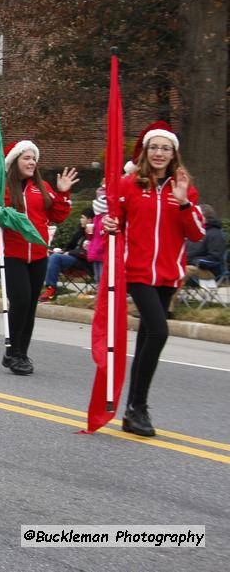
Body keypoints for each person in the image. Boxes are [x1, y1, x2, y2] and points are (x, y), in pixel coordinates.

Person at [102, 122, 205, 436]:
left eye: (166, 148)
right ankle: (138, 407)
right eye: (154, 147)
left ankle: (133, 411)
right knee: (159, 332)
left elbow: (197, 233)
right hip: (137, 271)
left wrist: (184, 201)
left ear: (174, 153)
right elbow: (113, 223)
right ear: (145, 151)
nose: (160, 153)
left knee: (148, 337)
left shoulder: (183, 185)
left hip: (169, 274)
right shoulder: (129, 184)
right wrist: (107, 224)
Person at [0, 140, 78, 375]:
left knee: (30, 305)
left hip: (39, 254)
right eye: (27, 158)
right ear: (14, 162)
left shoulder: (40, 187)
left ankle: (21, 353)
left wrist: (62, 193)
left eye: (34, 158)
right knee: (20, 301)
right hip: (11, 255)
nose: (32, 162)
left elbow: (57, 216)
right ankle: (12, 351)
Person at [39, 208, 95, 302]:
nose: (80, 220)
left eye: (82, 217)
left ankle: (51, 290)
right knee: (52, 256)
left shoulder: (93, 232)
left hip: (87, 262)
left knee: (55, 258)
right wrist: (63, 251)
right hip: (76, 259)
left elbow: (88, 252)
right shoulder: (81, 231)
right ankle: (49, 289)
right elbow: (70, 247)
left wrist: (70, 252)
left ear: (89, 220)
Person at [185, 204, 226, 282]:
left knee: (182, 271)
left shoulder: (215, 233)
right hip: (190, 267)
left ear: (203, 216)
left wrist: (191, 261)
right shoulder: (194, 233)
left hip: (210, 273)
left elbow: (215, 259)